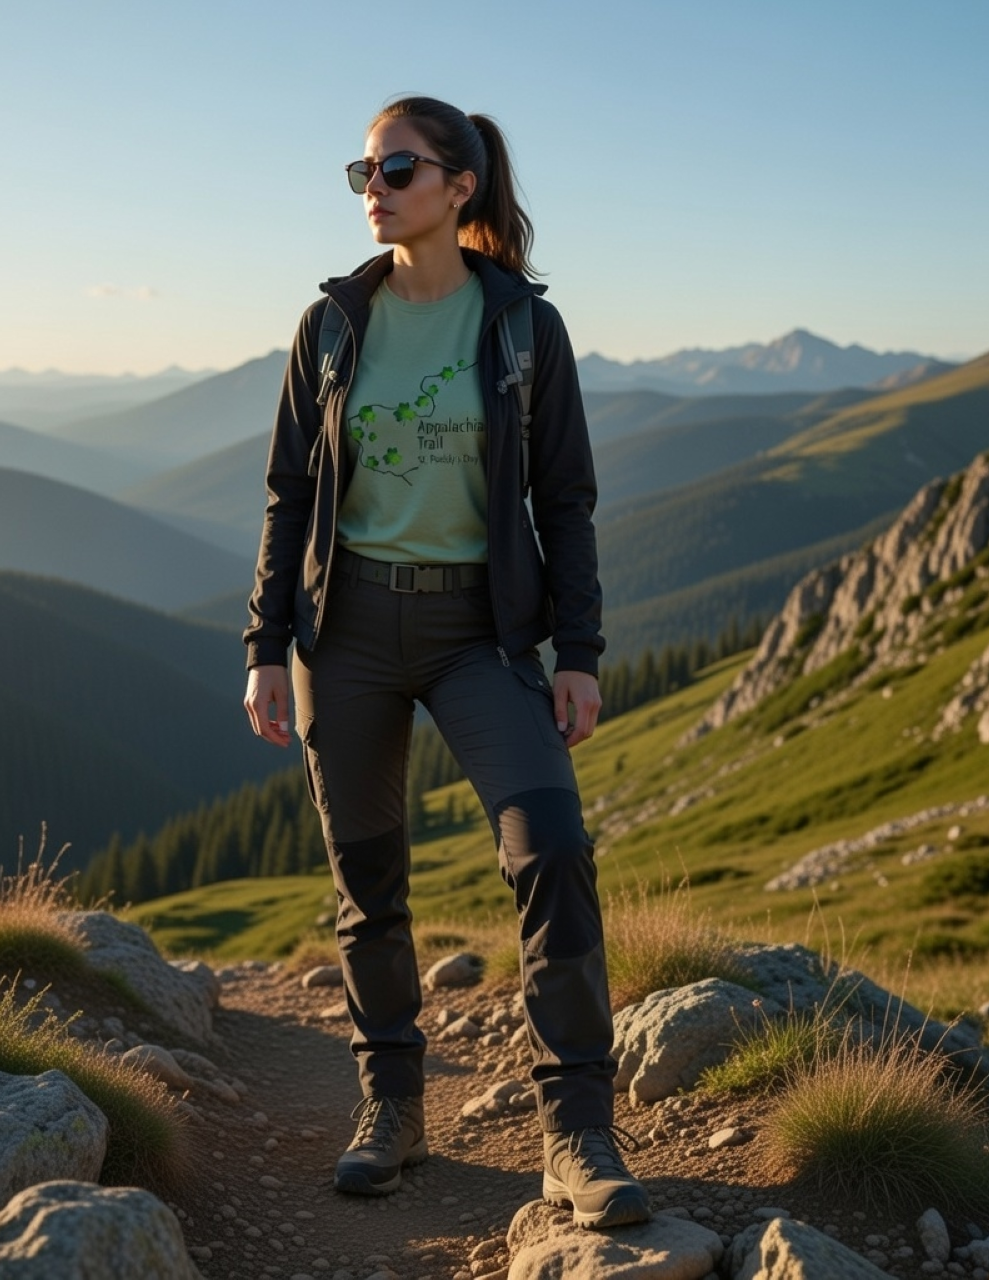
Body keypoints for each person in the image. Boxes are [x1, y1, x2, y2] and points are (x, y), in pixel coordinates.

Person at [242, 95, 649, 1231]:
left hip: (480, 632)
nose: (372, 185)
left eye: (396, 167)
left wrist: (578, 651)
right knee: (367, 880)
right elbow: (288, 495)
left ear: (458, 185)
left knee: (551, 845)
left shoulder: (521, 325)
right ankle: (393, 1110)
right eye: (362, 170)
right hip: (349, 632)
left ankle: (575, 1132)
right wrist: (264, 647)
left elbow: (563, 497)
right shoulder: (329, 326)